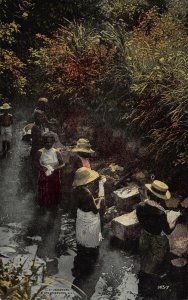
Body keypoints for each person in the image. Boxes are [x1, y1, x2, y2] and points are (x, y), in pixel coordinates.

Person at [136, 180, 178, 275]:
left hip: (144, 235)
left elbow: (141, 221)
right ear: (161, 198)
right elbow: (168, 231)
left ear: (149, 193)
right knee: (157, 262)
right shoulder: (160, 213)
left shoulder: (140, 206)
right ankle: (156, 276)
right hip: (157, 239)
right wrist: (175, 221)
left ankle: (144, 274)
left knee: (145, 257)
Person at [72, 167, 103, 249]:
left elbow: (83, 202)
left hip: (81, 214)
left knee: (82, 237)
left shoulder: (75, 190)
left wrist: (94, 200)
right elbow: (96, 210)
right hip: (90, 217)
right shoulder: (87, 194)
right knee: (91, 241)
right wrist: (99, 201)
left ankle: (82, 246)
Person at [34, 132, 65, 208]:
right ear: (43, 142)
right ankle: (43, 207)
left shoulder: (56, 152)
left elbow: (62, 163)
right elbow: (35, 162)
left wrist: (55, 168)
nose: (48, 144)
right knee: (44, 192)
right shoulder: (40, 152)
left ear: (53, 142)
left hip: (55, 175)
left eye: (50, 142)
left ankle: (54, 206)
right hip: (44, 175)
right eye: (46, 142)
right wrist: (42, 168)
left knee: (54, 191)